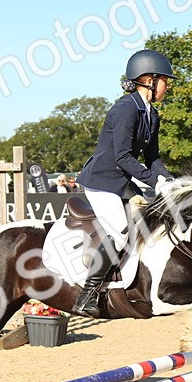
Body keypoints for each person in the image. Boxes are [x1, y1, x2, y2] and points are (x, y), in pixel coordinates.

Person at [74, 49, 176, 318]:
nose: (168, 85)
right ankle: (87, 296)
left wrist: (169, 180)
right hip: (101, 180)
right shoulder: (125, 108)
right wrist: (154, 181)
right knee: (120, 227)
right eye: (165, 80)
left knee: (149, 219)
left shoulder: (151, 114)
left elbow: (152, 157)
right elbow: (122, 156)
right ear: (149, 79)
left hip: (120, 181)